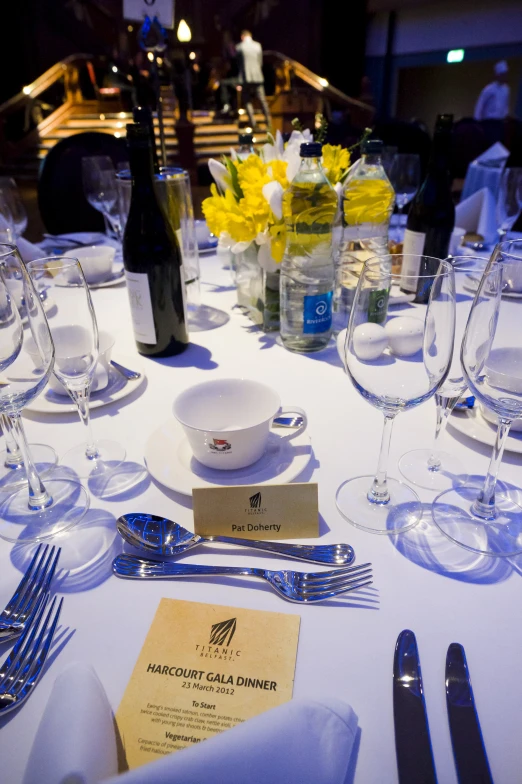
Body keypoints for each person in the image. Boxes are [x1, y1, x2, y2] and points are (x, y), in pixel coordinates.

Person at [235, 30, 270, 130]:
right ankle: (268, 121)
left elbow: (239, 65)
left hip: (245, 77)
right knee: (262, 100)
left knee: (247, 100)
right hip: (257, 76)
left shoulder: (239, 47)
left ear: (242, 37)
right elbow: (260, 62)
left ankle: (253, 123)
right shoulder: (258, 46)